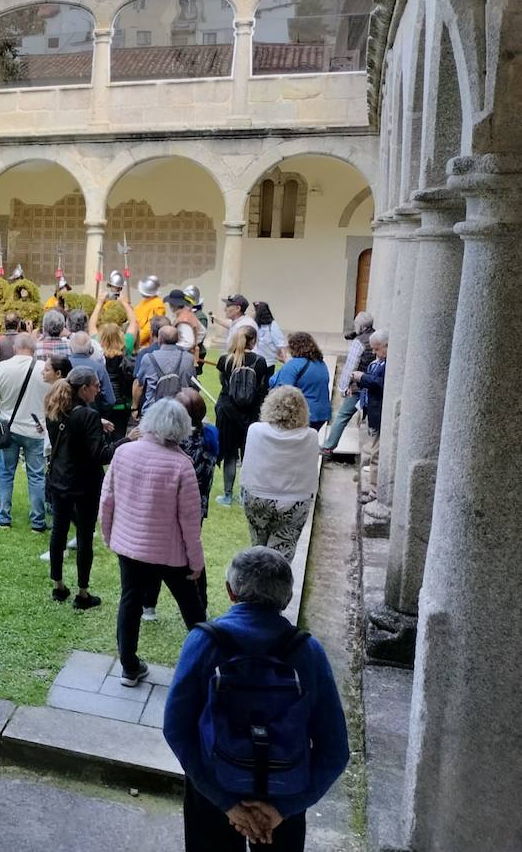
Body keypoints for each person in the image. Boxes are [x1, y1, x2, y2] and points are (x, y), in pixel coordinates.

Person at [164, 547, 349, 851]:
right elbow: (335, 750)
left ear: (230, 592)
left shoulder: (204, 642)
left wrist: (228, 805)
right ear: (286, 599)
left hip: (214, 789)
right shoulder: (307, 652)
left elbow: (176, 728)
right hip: (284, 791)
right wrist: (282, 810)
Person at [101, 397, 207, 686]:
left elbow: (107, 501)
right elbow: (190, 521)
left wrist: (110, 538)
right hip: (169, 553)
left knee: (130, 601)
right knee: (192, 608)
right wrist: (196, 562)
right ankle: (209, 665)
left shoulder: (124, 453)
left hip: (129, 547)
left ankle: (129, 666)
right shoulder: (181, 465)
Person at [142, 387, 220, 620]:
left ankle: (150, 605)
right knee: (192, 552)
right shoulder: (210, 435)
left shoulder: (176, 444)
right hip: (197, 507)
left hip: (171, 506)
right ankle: (199, 605)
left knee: (159, 555)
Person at [46, 365, 115, 610]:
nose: (99, 389)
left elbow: (69, 436)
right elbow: (102, 454)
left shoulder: (55, 408)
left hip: (59, 480)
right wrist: (128, 440)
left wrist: (97, 423)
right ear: (84, 388)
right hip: (84, 483)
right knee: (84, 536)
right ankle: (83, 593)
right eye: (96, 385)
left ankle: (58, 585)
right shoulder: (88, 415)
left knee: (59, 532)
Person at [241, 387, 321, 560]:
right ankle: (276, 583)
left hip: (257, 497)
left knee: (258, 550)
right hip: (294, 501)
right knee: (281, 558)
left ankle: (258, 582)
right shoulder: (311, 436)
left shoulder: (255, 430)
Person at [0, 331, 50, 530]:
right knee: (37, 475)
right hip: (36, 429)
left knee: (6, 473)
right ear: (34, 348)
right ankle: (38, 522)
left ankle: (4, 517)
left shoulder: (2, 367)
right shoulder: (44, 369)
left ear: (14, 348)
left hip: (8, 429)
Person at [214, 326, 273, 505]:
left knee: (230, 454)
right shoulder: (260, 361)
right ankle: (243, 495)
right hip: (251, 414)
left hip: (227, 412)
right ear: (253, 341)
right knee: (248, 456)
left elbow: (223, 384)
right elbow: (262, 388)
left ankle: (227, 495)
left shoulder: (225, 360)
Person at [321, 311, 374, 456]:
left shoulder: (359, 342)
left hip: (359, 388)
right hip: (374, 387)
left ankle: (328, 447)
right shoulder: (375, 338)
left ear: (361, 326)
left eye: (356, 324)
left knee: (342, 416)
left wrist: (344, 388)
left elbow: (350, 367)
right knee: (374, 418)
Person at [271, 332, 332, 431]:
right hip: (322, 414)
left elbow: (283, 392)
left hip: (304, 414)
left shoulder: (293, 365)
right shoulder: (321, 363)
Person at [354, 331, 388, 506]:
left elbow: (382, 384)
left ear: (387, 346)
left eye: (377, 349)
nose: (375, 353)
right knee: (374, 450)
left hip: (381, 415)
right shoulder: (378, 362)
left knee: (376, 453)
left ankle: (374, 490)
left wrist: (363, 378)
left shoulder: (388, 364)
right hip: (373, 413)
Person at [133, 325, 197, 416]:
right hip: (180, 410)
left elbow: (139, 383)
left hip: (153, 411)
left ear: (159, 339)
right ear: (178, 339)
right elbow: (193, 383)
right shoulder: (188, 358)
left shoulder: (148, 358)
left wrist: (134, 408)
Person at [95, 321, 136, 437]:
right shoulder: (126, 350)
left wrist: (99, 304)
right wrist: (125, 304)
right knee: (120, 436)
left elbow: (92, 326)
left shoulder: (98, 356)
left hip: (103, 404)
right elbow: (133, 325)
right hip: (123, 404)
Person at [67, 330, 116, 405]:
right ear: (91, 350)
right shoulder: (99, 368)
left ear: (70, 348)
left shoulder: (64, 365)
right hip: (93, 412)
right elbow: (110, 399)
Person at [252, 300, 289, 365]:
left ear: (259, 312)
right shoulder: (255, 324)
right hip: (256, 360)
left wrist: (285, 360)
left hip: (268, 362)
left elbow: (280, 344)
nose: (251, 312)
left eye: (253, 311)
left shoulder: (272, 326)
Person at [134, 275, 166, 348]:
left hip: (145, 344)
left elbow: (150, 327)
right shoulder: (145, 301)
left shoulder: (158, 305)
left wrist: (136, 340)